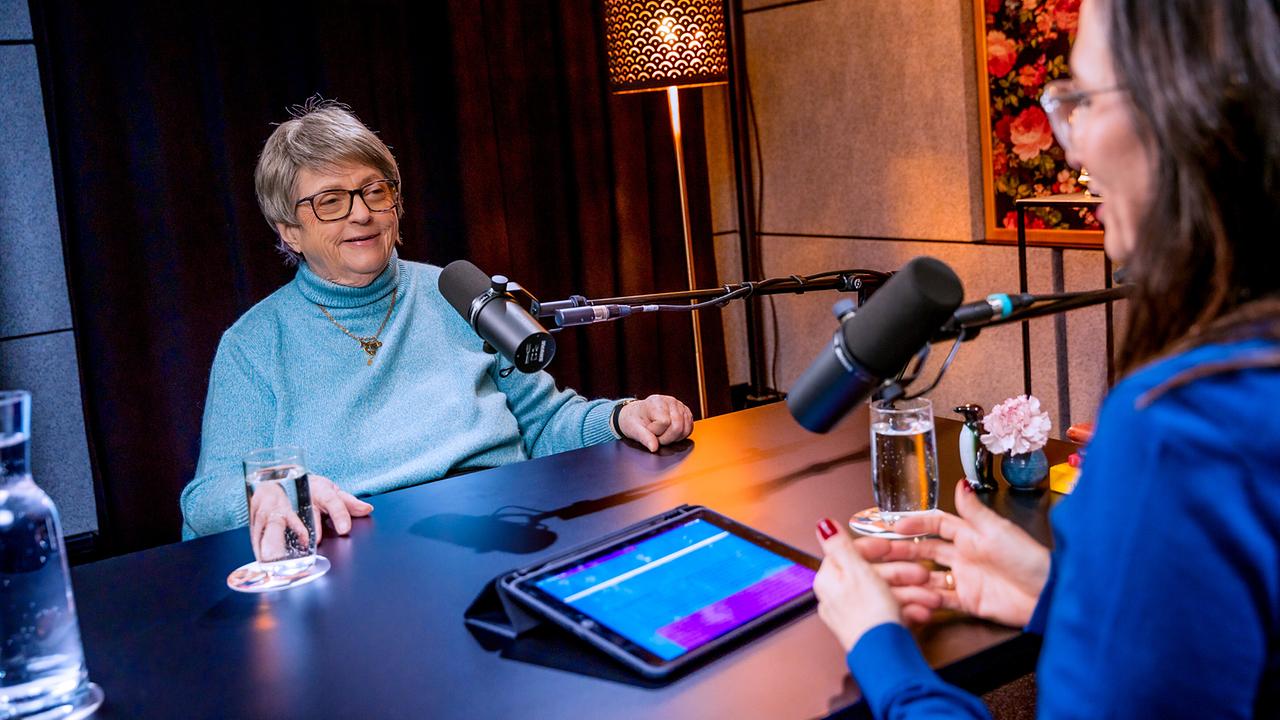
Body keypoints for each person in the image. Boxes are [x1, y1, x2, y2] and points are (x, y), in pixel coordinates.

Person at [811, 0, 1280, 716]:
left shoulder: (1177, 431)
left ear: (1196, 109)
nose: (1071, 148)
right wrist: (1060, 591)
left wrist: (881, 647)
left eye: (1082, 100)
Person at [180, 100, 693, 545]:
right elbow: (206, 499)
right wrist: (274, 494)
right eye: (330, 202)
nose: (361, 214)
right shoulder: (254, 343)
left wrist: (623, 417)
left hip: (508, 525)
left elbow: (545, 425)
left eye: (373, 191)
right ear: (289, 231)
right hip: (359, 550)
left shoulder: (461, 294)